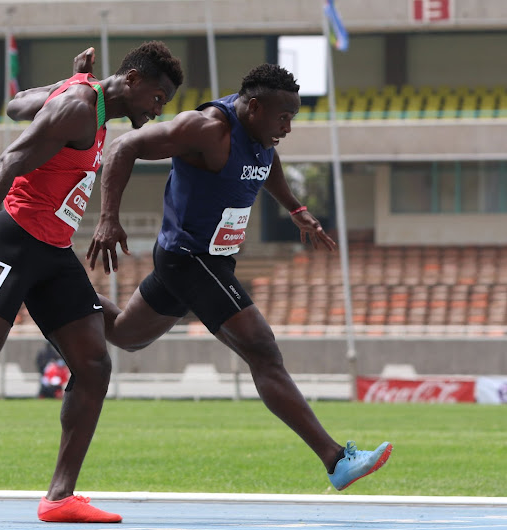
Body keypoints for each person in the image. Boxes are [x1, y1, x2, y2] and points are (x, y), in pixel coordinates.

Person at [0, 41, 183, 523]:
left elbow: (15, 104)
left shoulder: (85, 99)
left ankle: (60, 497)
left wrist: (67, 80)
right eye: (156, 98)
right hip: (15, 241)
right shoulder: (77, 108)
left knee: (93, 366)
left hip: (54, 251)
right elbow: (8, 161)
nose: (156, 111)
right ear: (132, 81)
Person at [86, 63, 393, 492]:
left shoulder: (259, 137)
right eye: (282, 118)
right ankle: (336, 459)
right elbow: (123, 148)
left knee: (125, 334)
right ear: (253, 107)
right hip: (192, 257)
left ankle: (55, 289)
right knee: (263, 352)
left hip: (207, 260)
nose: (287, 128)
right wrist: (108, 219)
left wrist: (295, 208)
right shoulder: (207, 128)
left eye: (293, 119)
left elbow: (267, 161)